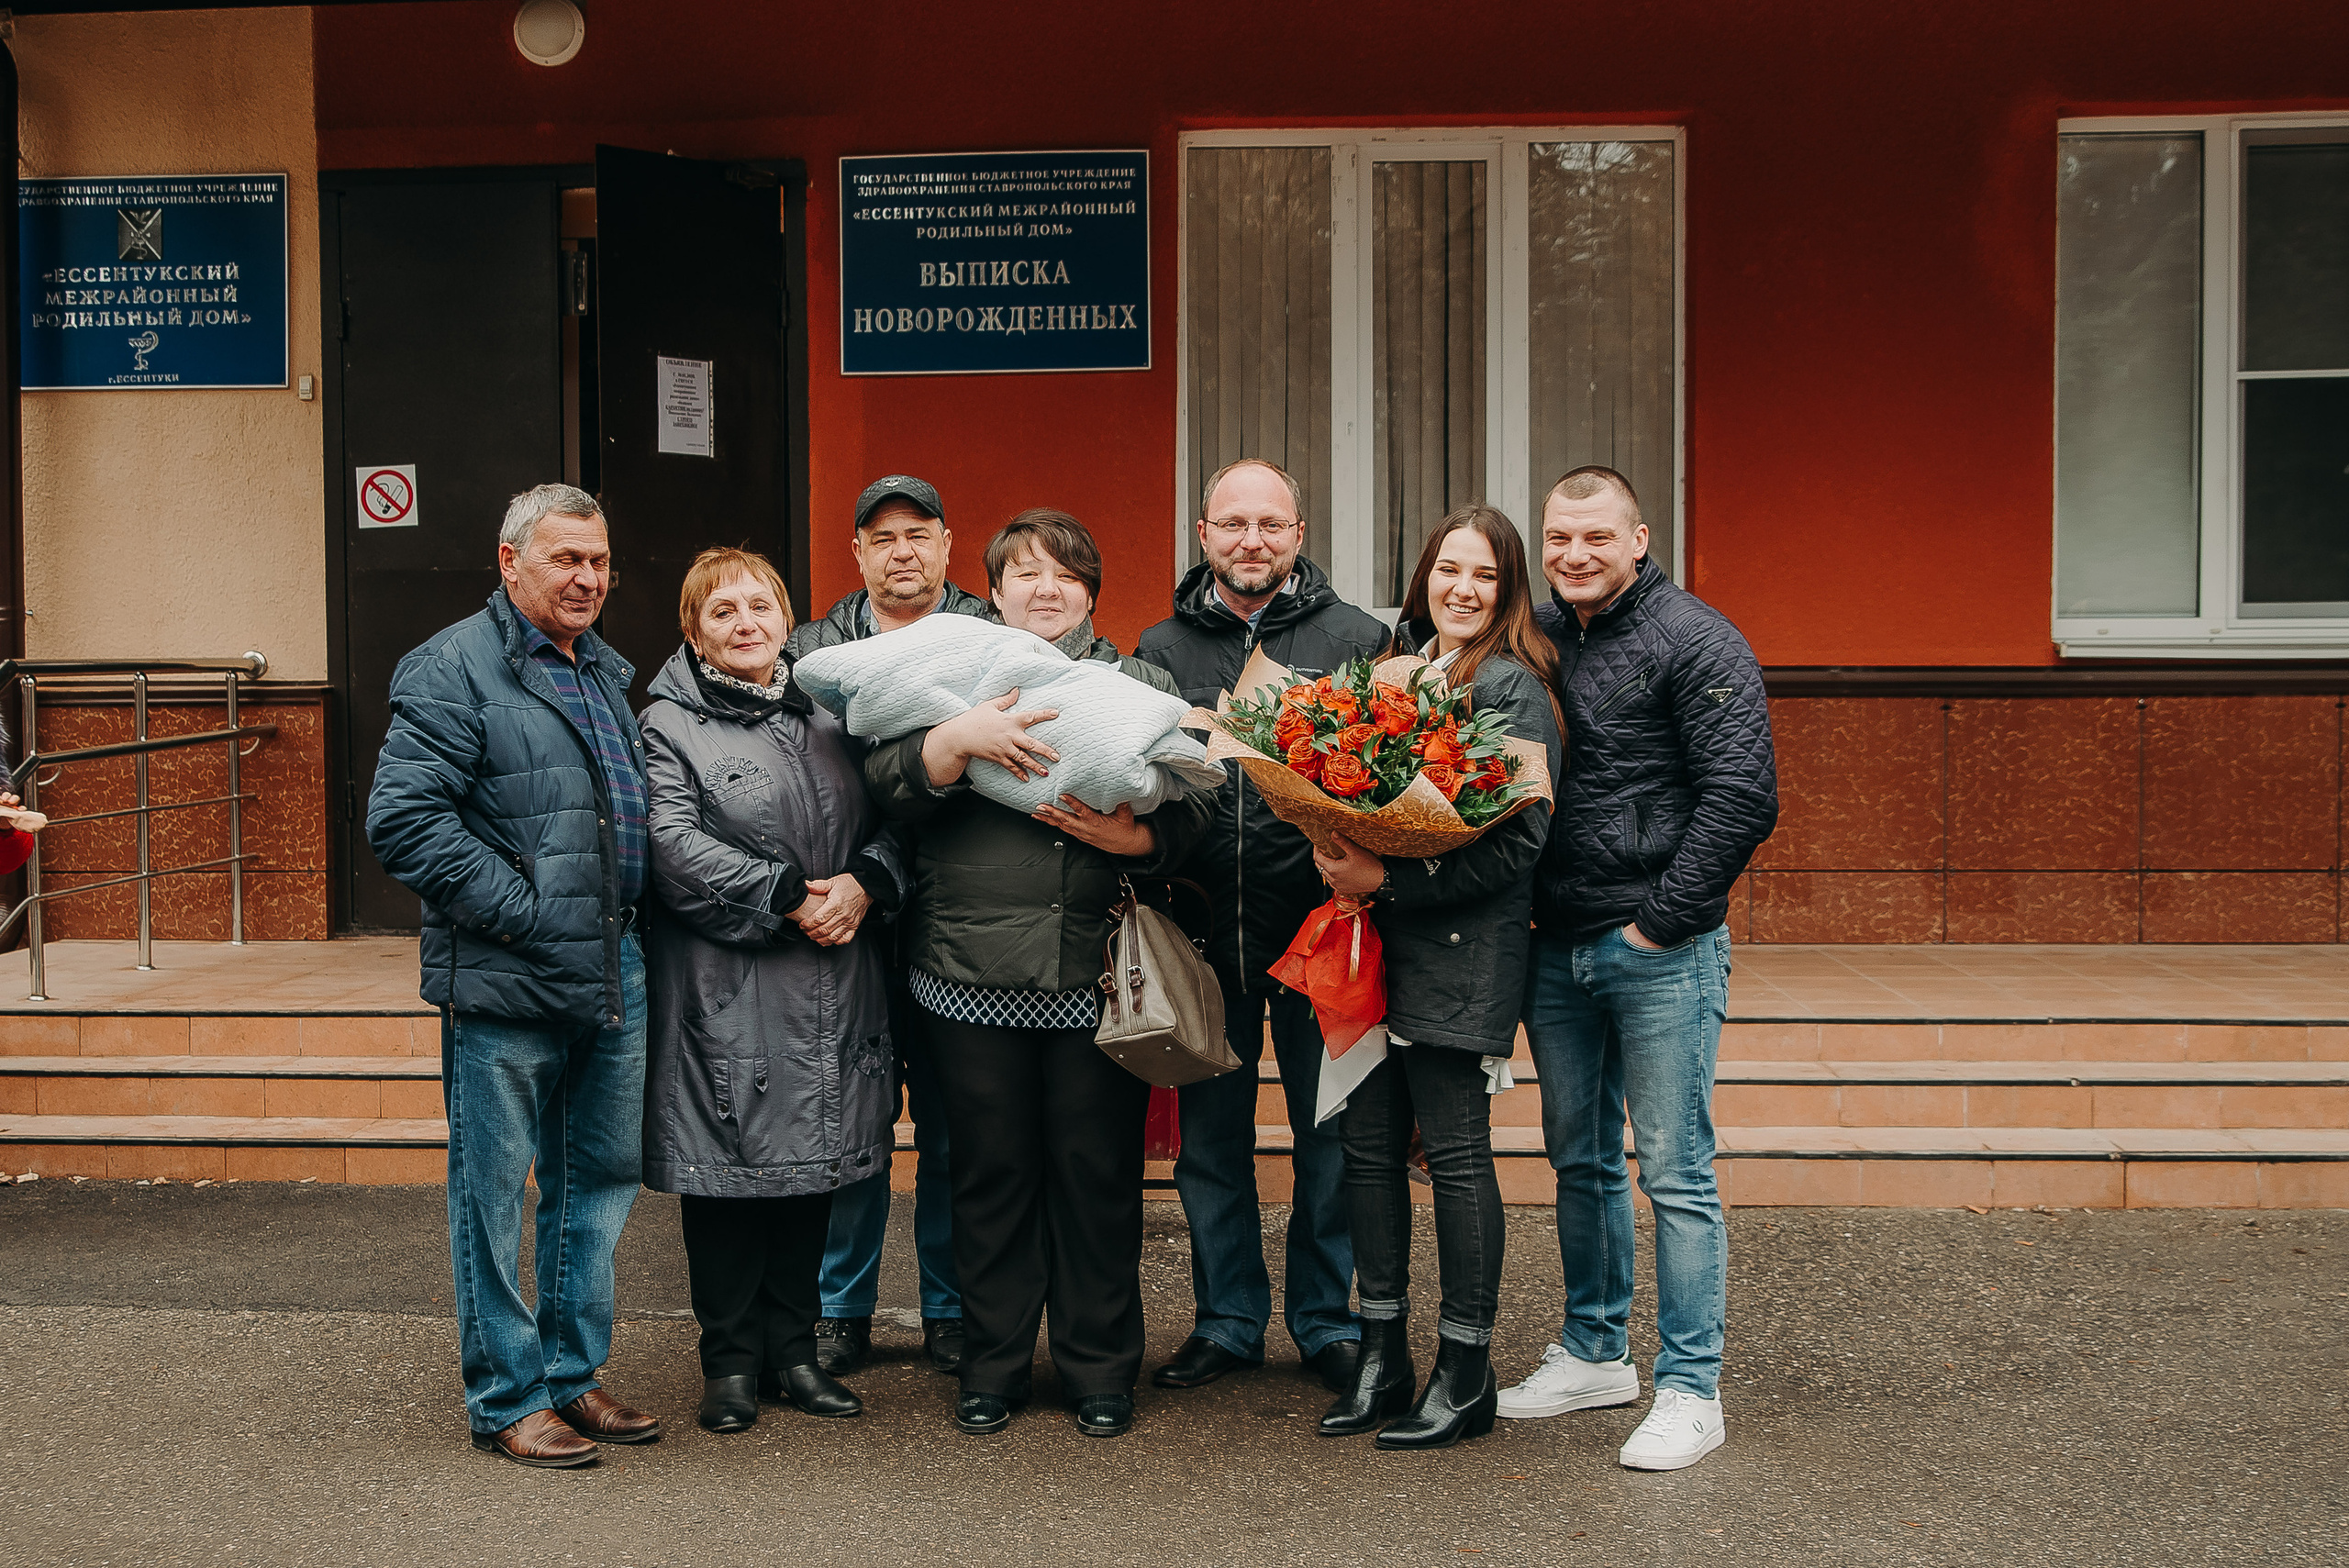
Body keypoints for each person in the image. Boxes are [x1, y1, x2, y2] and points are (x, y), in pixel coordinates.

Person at [864, 508, 1214, 1440]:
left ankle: (1101, 1368)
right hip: (964, 975)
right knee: (989, 1175)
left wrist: (1139, 836)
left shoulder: (1138, 681)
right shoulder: (948, 675)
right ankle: (993, 1365)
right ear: (994, 589)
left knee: (1096, 1174)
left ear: (1092, 592)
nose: (1044, 588)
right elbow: (883, 787)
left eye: (1064, 573)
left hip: (1092, 977)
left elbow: (1201, 811)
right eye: (1023, 572)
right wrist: (950, 743)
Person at [367, 484, 661, 1469]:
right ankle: (506, 1392)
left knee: (598, 1178)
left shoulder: (604, 671)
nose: (587, 578)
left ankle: (571, 1374)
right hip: (509, 973)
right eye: (565, 559)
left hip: (612, 960)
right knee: (492, 1190)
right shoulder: (451, 665)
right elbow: (405, 822)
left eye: (599, 561)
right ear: (509, 561)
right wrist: (533, 915)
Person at [1504, 465, 1777, 1473]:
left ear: (1638, 538)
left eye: (1595, 537)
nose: (1574, 554)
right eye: (1558, 537)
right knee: (1577, 1158)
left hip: (1658, 947)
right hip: (1554, 940)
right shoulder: (1531, 637)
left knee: (1674, 1169)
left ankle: (1691, 1387)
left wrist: (1658, 927)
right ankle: (1593, 1350)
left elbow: (1742, 796)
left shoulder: (1698, 639)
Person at [637, 547, 910, 1435]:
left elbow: (899, 815)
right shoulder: (666, 724)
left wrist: (866, 880)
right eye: (722, 611)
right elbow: (670, 843)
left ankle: (794, 1350)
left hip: (838, 974)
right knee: (726, 1178)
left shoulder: (838, 711)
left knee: (811, 1173)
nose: (745, 622)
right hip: (729, 981)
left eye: (760, 604)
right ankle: (729, 1363)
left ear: (786, 618)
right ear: (694, 631)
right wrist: (790, 895)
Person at [1309, 505, 1562, 1451]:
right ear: (1423, 578)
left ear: (1507, 591)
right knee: (1367, 1150)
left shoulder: (1514, 688)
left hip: (1462, 953)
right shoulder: (1391, 674)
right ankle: (1383, 1355)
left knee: (1454, 1155)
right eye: (1447, 570)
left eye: (1484, 576)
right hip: (1372, 947)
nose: (1461, 589)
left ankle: (1465, 1370)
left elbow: (1522, 840)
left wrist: (1394, 877)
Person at [1134, 459, 1386, 1396]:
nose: (1252, 540)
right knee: (1211, 1147)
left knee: (1333, 1140)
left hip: (1320, 934)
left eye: (1270, 524)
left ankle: (1326, 1318)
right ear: (1202, 534)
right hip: (1204, 936)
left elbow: (1384, 775)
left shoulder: (1358, 638)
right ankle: (1227, 1318)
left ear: (1298, 532)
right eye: (1232, 523)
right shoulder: (1157, 645)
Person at [785, 474, 988, 1377]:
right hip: (843, 929)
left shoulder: (991, 640)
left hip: (955, 921)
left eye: (919, 533)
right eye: (882, 537)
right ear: (857, 553)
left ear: (947, 545)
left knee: (951, 1130)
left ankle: (950, 1303)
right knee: (851, 1125)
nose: (901, 550)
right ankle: (839, 1307)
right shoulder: (807, 653)